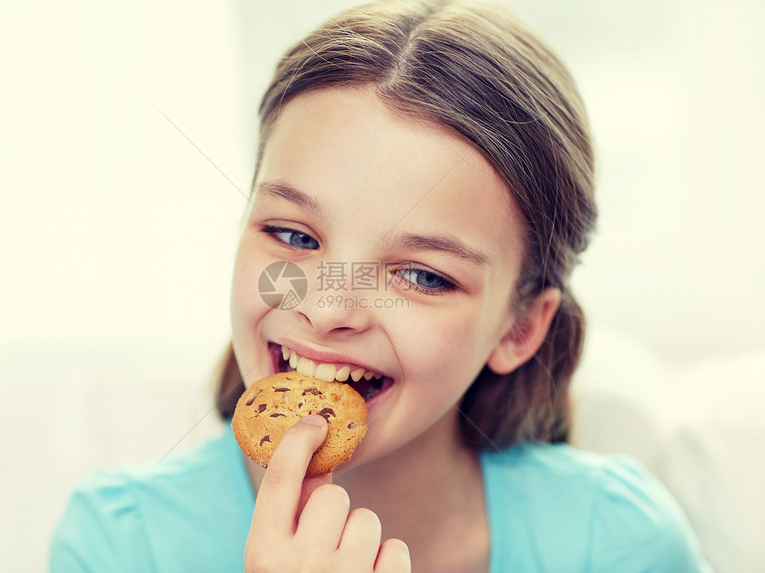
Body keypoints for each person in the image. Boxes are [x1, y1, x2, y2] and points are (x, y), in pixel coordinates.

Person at [50, 1, 712, 571]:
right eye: (294, 235)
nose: (327, 308)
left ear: (519, 328)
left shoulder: (619, 544)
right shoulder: (120, 543)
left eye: (422, 274)